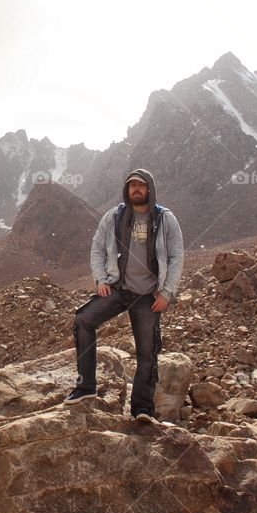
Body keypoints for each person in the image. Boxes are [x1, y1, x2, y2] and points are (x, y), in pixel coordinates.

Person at [64, 168, 184, 422]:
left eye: (141, 185)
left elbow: (176, 257)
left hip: (149, 296)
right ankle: (86, 387)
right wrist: (100, 280)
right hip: (118, 289)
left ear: (149, 189)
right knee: (84, 319)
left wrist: (167, 292)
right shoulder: (115, 216)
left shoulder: (164, 219)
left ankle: (141, 409)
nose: (137, 189)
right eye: (132, 186)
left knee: (147, 352)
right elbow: (97, 247)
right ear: (127, 190)